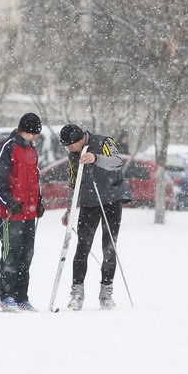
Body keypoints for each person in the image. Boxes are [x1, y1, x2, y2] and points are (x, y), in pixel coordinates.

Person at [59, 124, 131, 310]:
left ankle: (106, 294)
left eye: (71, 145)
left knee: (109, 246)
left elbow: (117, 161)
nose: (70, 149)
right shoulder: (73, 156)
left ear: (81, 139)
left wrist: (96, 158)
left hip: (112, 199)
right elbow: (73, 182)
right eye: (67, 146)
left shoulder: (104, 141)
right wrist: (69, 209)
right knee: (82, 247)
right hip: (89, 202)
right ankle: (77, 293)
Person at [0, 112, 45, 312]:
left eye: (36, 134)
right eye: (32, 133)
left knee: (26, 255)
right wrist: (8, 202)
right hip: (11, 213)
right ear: (23, 130)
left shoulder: (31, 149)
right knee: (10, 254)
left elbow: (35, 178)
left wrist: (38, 201)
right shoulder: (7, 147)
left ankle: (22, 297)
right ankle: (7, 296)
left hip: (29, 212)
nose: (34, 137)